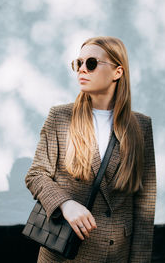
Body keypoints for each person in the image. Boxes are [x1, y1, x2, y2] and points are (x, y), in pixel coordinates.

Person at [25, 36, 156, 263]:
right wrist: (65, 203)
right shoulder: (60, 117)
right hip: (63, 252)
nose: (82, 70)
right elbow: (36, 175)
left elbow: (144, 201)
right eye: (79, 63)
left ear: (118, 72)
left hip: (114, 254)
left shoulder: (140, 126)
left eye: (92, 63)